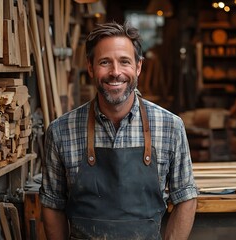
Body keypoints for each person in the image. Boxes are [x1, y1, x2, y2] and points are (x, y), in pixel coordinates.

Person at [39, 21, 198, 240]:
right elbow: (52, 203)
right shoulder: (60, 131)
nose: (115, 72)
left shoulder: (170, 127)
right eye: (105, 62)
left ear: (138, 67)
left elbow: (186, 198)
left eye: (124, 62)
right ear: (90, 67)